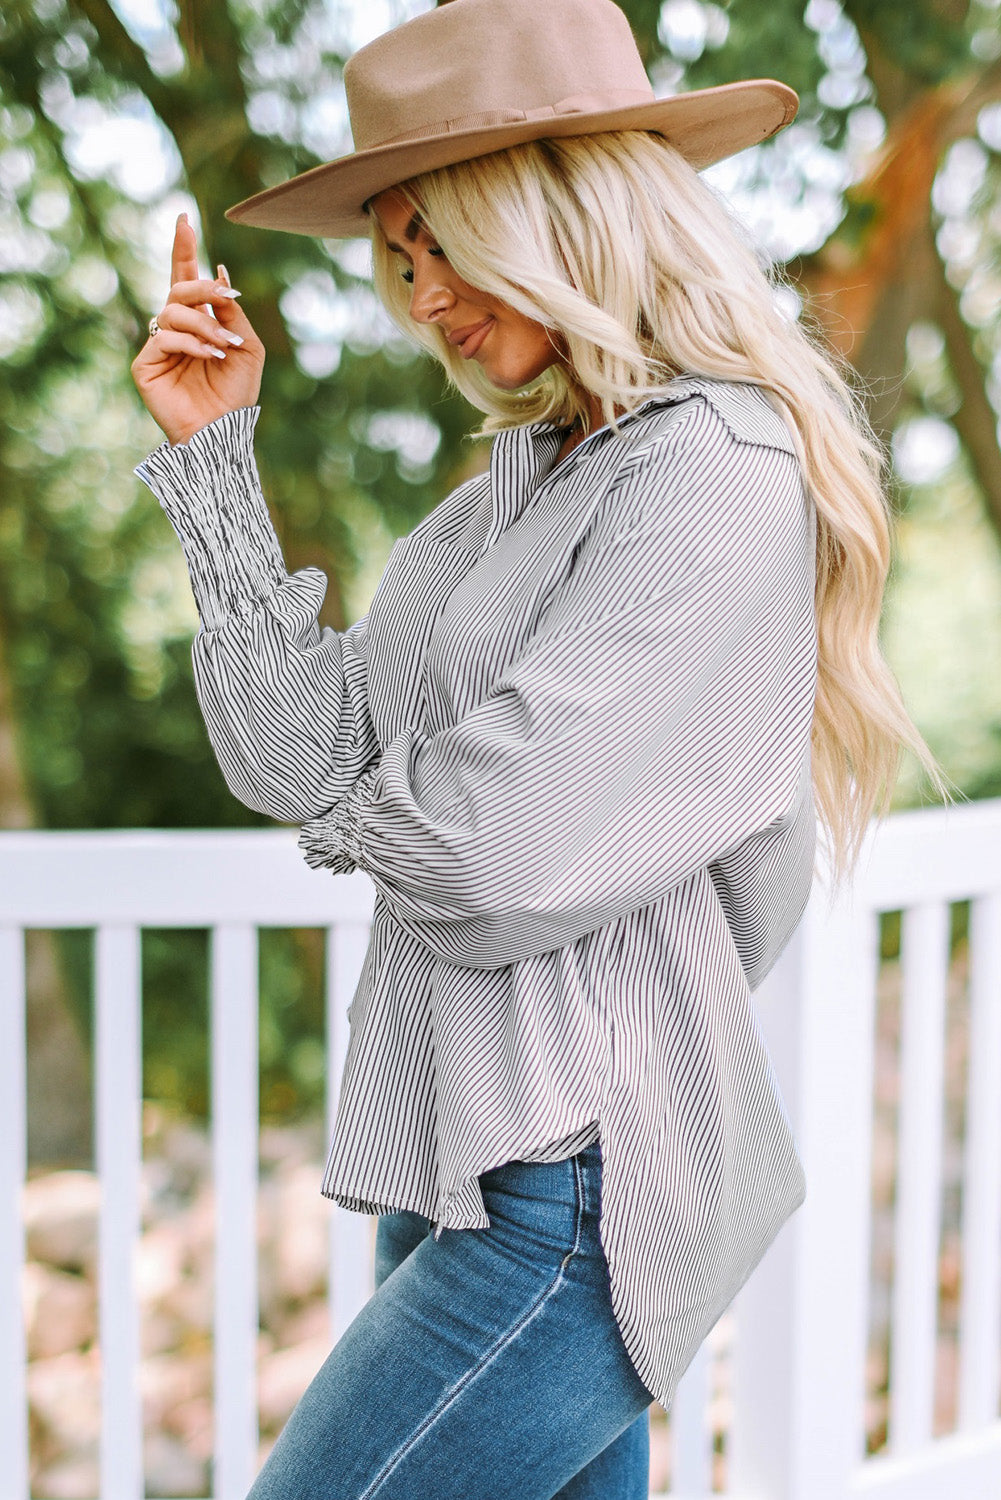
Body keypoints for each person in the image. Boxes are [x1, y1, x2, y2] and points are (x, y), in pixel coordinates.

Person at [131, 1, 949, 1495]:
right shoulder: (514, 490)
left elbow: (491, 856)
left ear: (560, 208)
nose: (420, 293)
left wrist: (353, 794)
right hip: (463, 1165)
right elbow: (287, 750)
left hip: (572, 1193)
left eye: (443, 237)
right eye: (397, 254)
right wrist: (212, 467)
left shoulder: (713, 470)